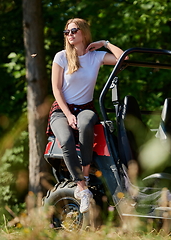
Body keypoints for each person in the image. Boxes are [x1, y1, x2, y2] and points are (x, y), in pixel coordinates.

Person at [46, 18, 126, 213]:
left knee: (86, 123)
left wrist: (105, 44)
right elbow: (56, 89)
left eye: (73, 30)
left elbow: (124, 59)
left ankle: (86, 175)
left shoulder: (95, 56)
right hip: (61, 109)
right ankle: (82, 188)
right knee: (64, 138)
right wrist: (67, 114)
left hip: (85, 108)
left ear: (83, 32)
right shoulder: (61, 57)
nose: (70, 34)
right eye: (67, 32)